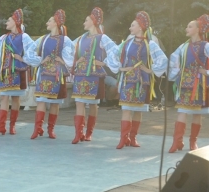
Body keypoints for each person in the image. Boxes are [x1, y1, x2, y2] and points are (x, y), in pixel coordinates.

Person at [106, 11, 168, 149]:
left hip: (142, 82)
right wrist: (121, 69)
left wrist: (149, 70)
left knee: (138, 110)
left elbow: (162, 59)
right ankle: (124, 138)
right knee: (126, 109)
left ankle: (133, 138)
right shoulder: (126, 44)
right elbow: (112, 56)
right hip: (127, 81)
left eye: (132, 25)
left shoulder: (150, 44)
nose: (130, 28)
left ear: (140, 27)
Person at [70, 8, 118, 143]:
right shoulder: (81, 38)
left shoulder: (102, 37)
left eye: (86, 20)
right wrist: (76, 60)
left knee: (92, 104)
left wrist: (103, 63)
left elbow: (115, 50)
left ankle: (89, 133)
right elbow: (68, 49)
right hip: (81, 73)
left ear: (93, 21)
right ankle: (78, 133)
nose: (84, 22)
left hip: (95, 75)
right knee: (79, 102)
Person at [25, 10, 74, 140]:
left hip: (58, 76)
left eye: (50, 20)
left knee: (55, 103)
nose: (47, 22)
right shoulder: (43, 39)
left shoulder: (65, 40)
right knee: (41, 100)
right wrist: (41, 60)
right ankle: (37, 129)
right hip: (44, 73)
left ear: (56, 23)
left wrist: (63, 61)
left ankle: (50, 129)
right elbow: (29, 51)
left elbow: (73, 55)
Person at [0, 9, 37, 135]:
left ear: (15, 22)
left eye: (9, 20)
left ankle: (12, 125)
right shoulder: (4, 37)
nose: (6, 22)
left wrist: (24, 58)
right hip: (6, 71)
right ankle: (1, 126)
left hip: (18, 70)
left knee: (15, 98)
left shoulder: (24, 37)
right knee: (4, 96)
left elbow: (33, 49)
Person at [167, 15, 209, 152]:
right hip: (185, 83)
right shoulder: (184, 46)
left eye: (190, 26)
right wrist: (176, 72)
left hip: (200, 85)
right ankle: (177, 141)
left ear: (198, 29)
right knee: (182, 111)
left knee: (197, 113)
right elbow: (174, 60)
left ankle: (193, 142)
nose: (187, 28)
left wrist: (206, 72)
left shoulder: (206, 45)